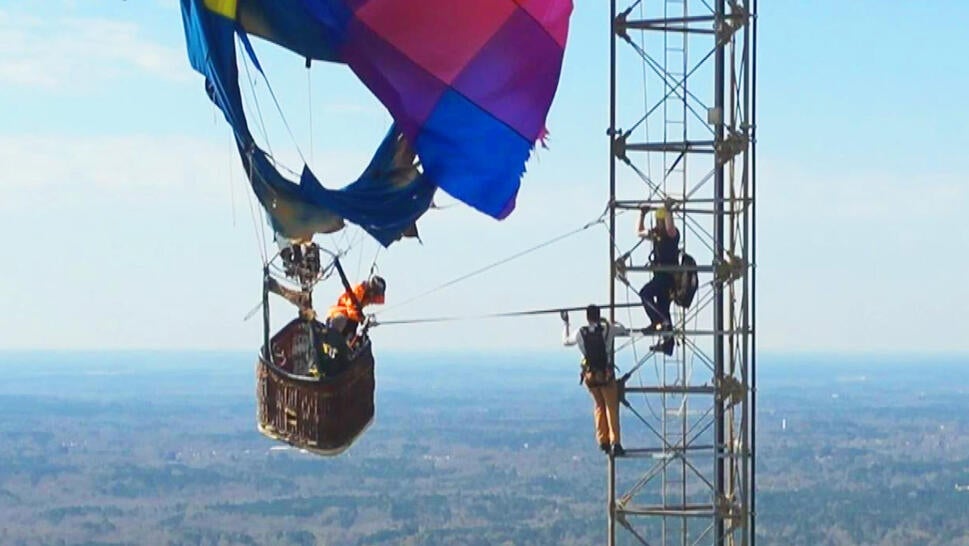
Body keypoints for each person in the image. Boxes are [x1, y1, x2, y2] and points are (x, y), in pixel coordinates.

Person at [562, 305, 626, 456]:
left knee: (599, 406)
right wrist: (612, 322)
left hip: (590, 376)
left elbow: (566, 341)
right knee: (611, 408)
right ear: (599, 315)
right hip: (606, 375)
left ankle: (603, 441)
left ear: (587, 317)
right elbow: (623, 329)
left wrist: (566, 323)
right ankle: (615, 443)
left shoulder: (580, 332)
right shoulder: (608, 329)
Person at [637, 204, 679, 356]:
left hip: (668, 277)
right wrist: (642, 215)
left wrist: (668, 212)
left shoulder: (672, 234)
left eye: (660, 221)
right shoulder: (656, 234)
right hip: (660, 275)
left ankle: (657, 321)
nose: (658, 224)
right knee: (664, 308)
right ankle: (668, 344)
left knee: (645, 293)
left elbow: (669, 229)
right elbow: (640, 232)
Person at [326, 275, 386, 340]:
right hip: (337, 315)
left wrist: (366, 321)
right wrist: (363, 319)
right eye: (374, 294)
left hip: (349, 320)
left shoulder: (366, 297)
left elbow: (379, 300)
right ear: (371, 290)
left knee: (354, 328)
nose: (373, 298)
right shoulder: (357, 290)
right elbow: (352, 310)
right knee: (344, 319)